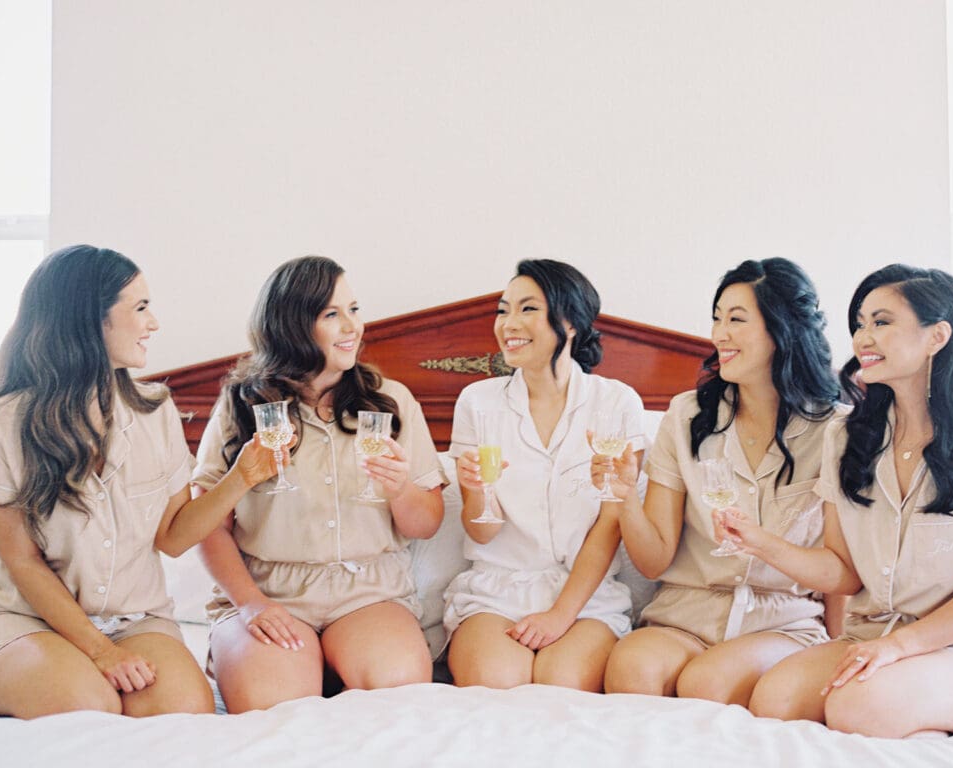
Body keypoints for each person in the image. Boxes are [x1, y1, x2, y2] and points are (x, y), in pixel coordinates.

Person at [0, 245, 283, 719]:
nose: (154, 323)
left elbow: (172, 537)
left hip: (135, 620)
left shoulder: (155, 409)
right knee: (85, 706)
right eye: (140, 307)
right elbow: (22, 561)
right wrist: (101, 654)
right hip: (27, 619)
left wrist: (243, 476)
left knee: (186, 712)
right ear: (90, 318)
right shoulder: (1, 422)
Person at [727, 264, 953, 737]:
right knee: (773, 700)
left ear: (937, 336)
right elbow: (842, 570)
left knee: (859, 707)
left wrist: (900, 648)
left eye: (881, 322)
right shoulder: (846, 435)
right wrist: (760, 543)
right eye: (859, 323)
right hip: (871, 637)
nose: (863, 337)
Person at [193, 255, 445, 713]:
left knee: (399, 694)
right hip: (268, 591)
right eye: (332, 314)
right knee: (274, 706)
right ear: (291, 325)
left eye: (354, 309)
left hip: (368, 595)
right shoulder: (241, 405)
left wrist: (400, 490)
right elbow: (207, 523)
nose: (353, 327)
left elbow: (425, 524)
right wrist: (250, 605)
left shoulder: (392, 402)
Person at [598, 258, 842, 704]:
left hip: (781, 621)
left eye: (736, 320)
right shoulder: (687, 415)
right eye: (716, 318)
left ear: (781, 329)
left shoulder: (836, 431)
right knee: (633, 668)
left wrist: (843, 649)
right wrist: (623, 497)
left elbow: (843, 568)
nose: (718, 334)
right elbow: (654, 561)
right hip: (684, 614)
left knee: (706, 683)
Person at [443, 259, 644, 692]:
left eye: (528, 309)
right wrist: (477, 493)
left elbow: (611, 524)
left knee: (562, 684)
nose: (508, 324)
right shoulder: (477, 402)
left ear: (570, 322)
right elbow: (483, 532)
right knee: (496, 684)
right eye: (502, 310)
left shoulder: (616, 403)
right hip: (495, 591)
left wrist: (560, 616)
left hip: (586, 598)